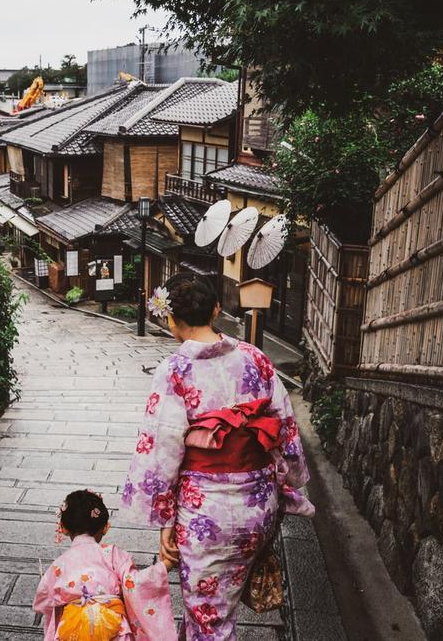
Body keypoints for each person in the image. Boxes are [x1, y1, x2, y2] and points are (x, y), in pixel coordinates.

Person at [125, 273, 314, 640]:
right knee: (209, 609)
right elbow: (285, 428)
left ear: (170, 318)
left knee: (211, 621)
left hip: (205, 514)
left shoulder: (175, 371)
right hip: (258, 508)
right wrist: (289, 480)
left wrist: (165, 518)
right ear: (215, 309)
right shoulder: (255, 358)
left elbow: (161, 450)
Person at [33, 489, 178, 641]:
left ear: (63, 528)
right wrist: (166, 564)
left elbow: (42, 602)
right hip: (113, 627)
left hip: (72, 629)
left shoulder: (58, 565)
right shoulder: (113, 554)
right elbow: (135, 583)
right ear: (104, 527)